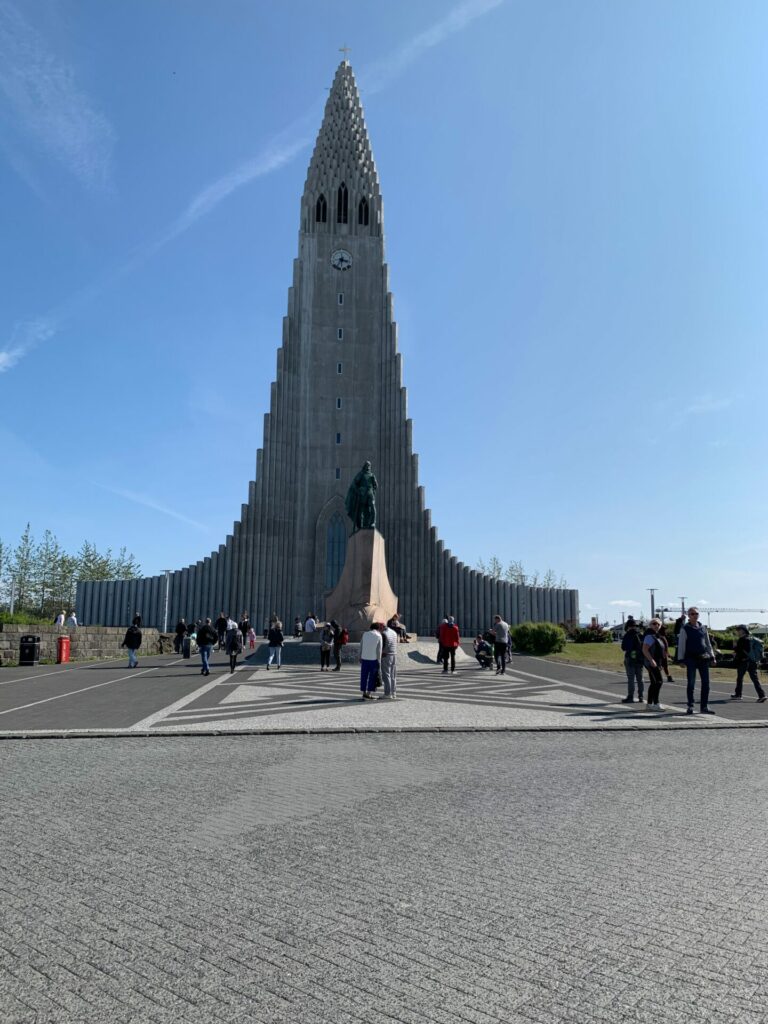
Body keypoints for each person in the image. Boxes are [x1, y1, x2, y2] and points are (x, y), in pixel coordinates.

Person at [676, 606, 716, 715]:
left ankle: (704, 706)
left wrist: (712, 656)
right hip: (691, 659)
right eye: (692, 614)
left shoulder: (703, 628)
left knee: (706, 683)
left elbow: (708, 644)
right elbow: (681, 645)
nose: (695, 615)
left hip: (703, 658)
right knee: (691, 683)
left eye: (696, 614)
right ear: (688, 616)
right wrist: (681, 659)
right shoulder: (685, 628)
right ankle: (690, 706)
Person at [732, 625, 767, 702]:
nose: (737, 631)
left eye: (738, 630)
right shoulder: (751, 639)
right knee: (755, 679)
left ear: (743, 631)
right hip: (752, 661)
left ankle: (738, 694)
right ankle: (762, 695)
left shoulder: (742, 639)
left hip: (744, 662)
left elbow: (740, 651)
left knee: (740, 678)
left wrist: (734, 646)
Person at [641, 618, 665, 711]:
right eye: (654, 623)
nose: (656, 626)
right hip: (651, 662)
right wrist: (651, 660)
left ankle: (650, 704)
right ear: (650, 625)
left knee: (654, 682)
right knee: (659, 681)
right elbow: (644, 649)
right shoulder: (649, 636)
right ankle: (656, 703)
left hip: (656, 662)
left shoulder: (657, 636)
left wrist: (661, 662)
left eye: (658, 624)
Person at [620, 619, 644, 703]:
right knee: (640, 678)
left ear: (628, 626)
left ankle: (630, 696)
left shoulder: (628, 635)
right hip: (640, 659)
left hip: (630, 658)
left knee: (631, 679)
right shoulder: (640, 635)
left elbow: (623, 647)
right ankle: (641, 696)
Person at [359, 622, 382, 699]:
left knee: (364, 676)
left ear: (371, 627)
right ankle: (369, 693)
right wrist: (379, 660)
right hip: (373, 659)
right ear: (378, 628)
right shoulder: (379, 635)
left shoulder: (365, 634)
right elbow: (379, 650)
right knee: (372, 677)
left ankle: (363, 692)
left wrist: (360, 656)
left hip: (364, 658)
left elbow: (361, 645)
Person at [381, 619, 398, 698]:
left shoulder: (384, 633)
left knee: (386, 674)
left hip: (386, 655)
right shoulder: (393, 632)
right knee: (393, 675)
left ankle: (387, 693)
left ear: (382, 626)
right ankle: (393, 692)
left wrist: (382, 652)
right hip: (394, 654)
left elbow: (384, 645)